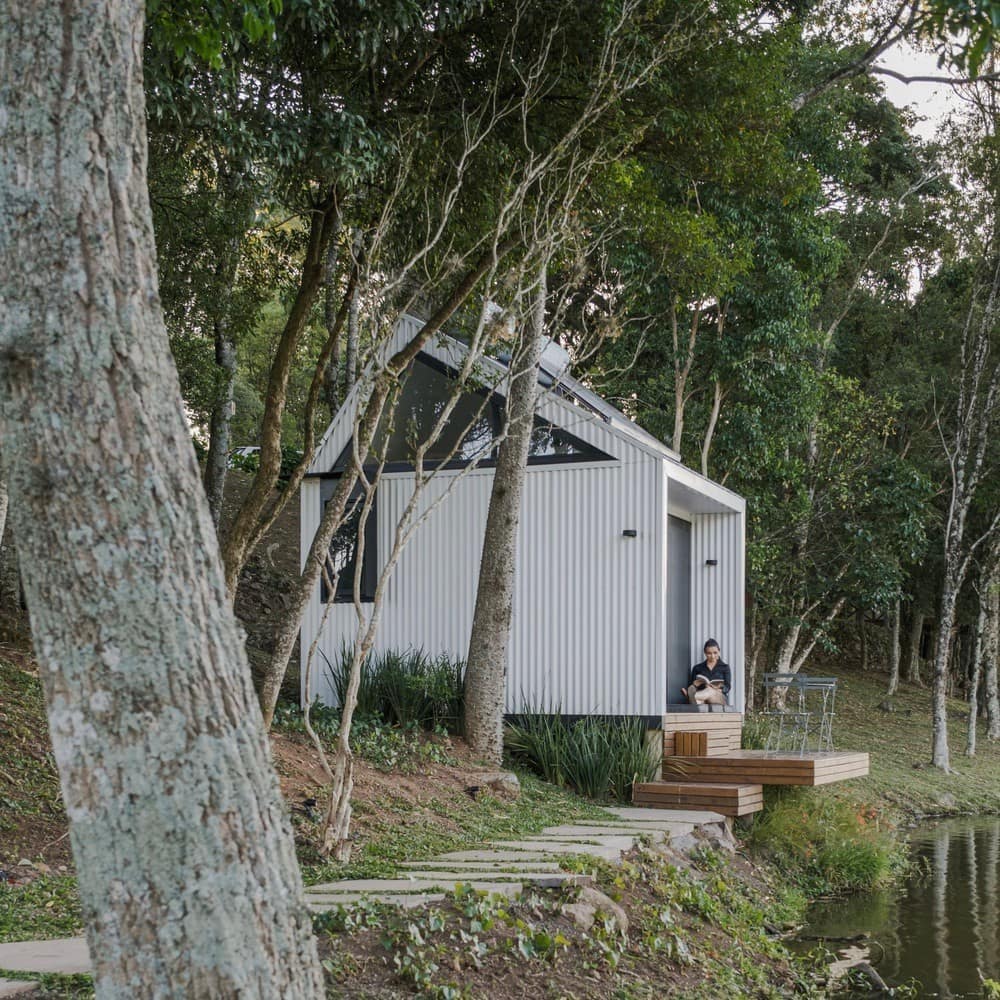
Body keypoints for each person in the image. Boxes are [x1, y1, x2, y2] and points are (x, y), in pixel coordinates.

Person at [682, 639, 731, 706]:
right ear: (705, 653)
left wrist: (719, 689)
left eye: (715, 653)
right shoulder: (697, 668)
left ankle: (690, 696)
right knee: (699, 701)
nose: (712, 656)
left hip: (719, 697)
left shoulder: (725, 667)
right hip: (703, 697)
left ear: (719, 652)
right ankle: (694, 698)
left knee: (709, 690)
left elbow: (728, 687)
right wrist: (695, 684)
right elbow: (692, 687)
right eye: (709, 653)